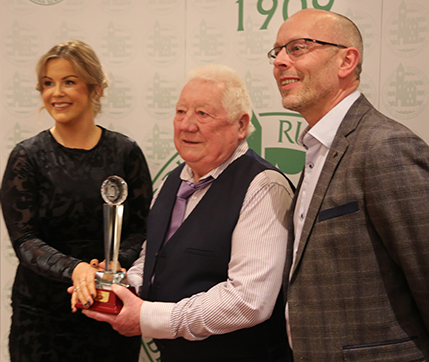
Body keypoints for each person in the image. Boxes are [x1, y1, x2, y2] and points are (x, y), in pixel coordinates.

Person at [80, 64, 295, 362]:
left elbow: (248, 301)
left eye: (202, 114)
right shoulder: (172, 180)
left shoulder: (263, 187)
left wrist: (149, 317)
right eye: (181, 112)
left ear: (241, 125)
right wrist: (120, 285)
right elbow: (151, 260)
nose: (186, 125)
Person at [268, 8, 429, 360]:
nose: (280, 61)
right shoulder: (317, 147)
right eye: (276, 51)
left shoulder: (385, 147)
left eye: (297, 48)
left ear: (346, 61)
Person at [0, 39, 153, 362]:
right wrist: (77, 270)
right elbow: (25, 240)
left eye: (69, 82)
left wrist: (113, 263)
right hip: (42, 319)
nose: (56, 93)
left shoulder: (126, 153)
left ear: (95, 88)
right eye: (48, 83)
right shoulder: (27, 157)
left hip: (110, 311)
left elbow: (142, 230)